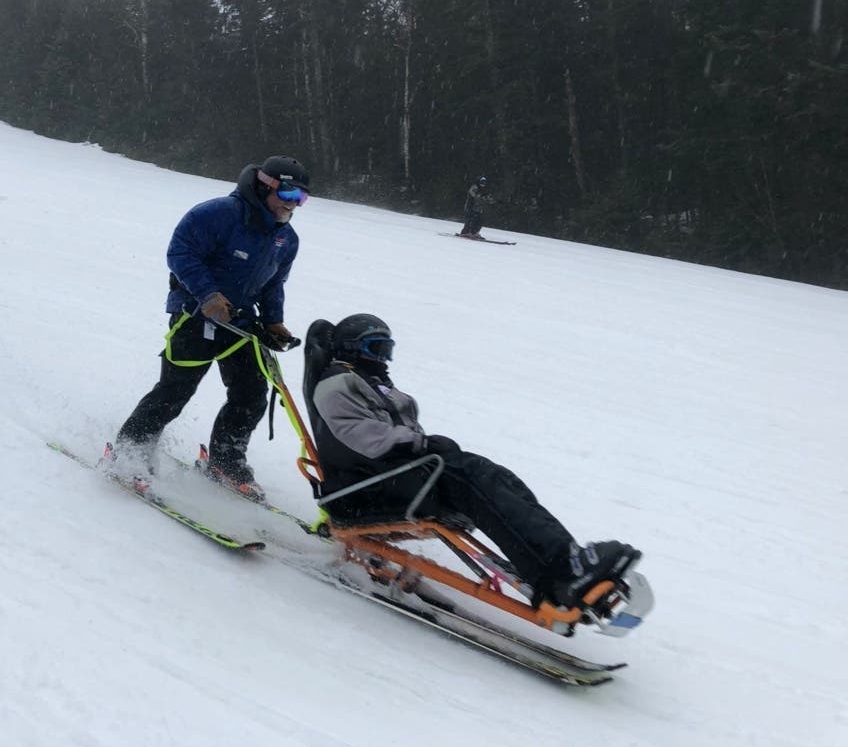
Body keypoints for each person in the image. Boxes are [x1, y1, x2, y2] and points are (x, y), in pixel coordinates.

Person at [305, 313, 641, 610]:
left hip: (396, 479)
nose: (384, 358)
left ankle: (567, 564)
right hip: (367, 489)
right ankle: (562, 574)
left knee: (494, 477)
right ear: (351, 348)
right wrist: (421, 443)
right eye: (376, 349)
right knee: (473, 476)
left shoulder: (374, 384)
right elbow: (361, 437)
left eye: (387, 349)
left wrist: (426, 446)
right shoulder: (336, 383)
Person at [112, 156, 311, 500]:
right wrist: (208, 294)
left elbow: (274, 283)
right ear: (265, 186)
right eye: (289, 194)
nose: (294, 205)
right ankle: (130, 453)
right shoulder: (217, 214)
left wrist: (273, 320)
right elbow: (180, 253)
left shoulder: (286, 238)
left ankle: (225, 461)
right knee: (175, 391)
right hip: (195, 317)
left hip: (240, 326)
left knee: (251, 396)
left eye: (302, 198)